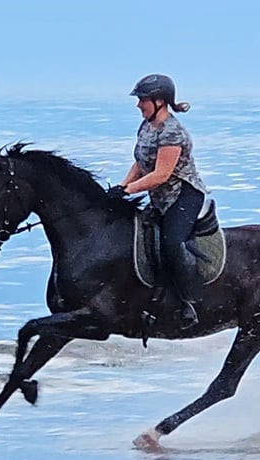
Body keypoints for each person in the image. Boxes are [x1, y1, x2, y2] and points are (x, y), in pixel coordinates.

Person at [107, 73, 211, 329]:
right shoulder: (146, 126)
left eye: (143, 100)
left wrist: (129, 190)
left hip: (184, 196)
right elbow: (141, 163)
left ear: (160, 101)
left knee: (171, 242)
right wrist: (121, 186)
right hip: (160, 198)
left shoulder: (172, 133)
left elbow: (161, 175)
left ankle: (188, 301)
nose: (139, 105)